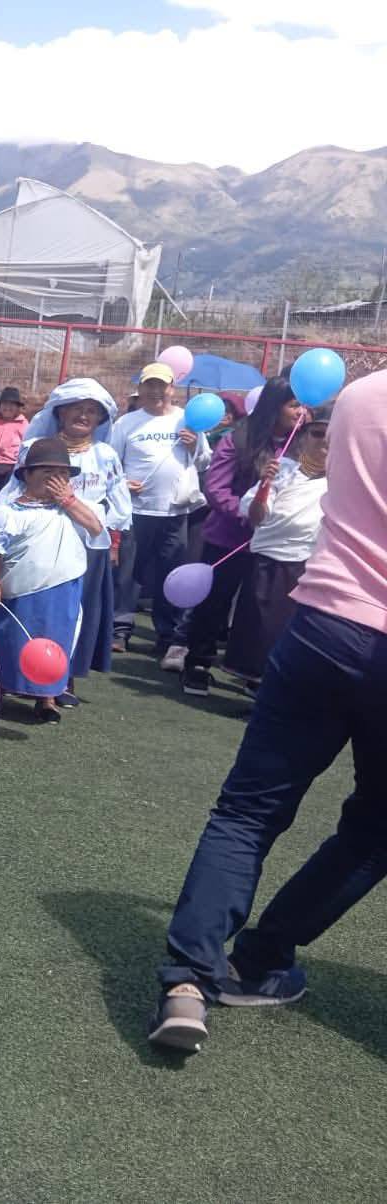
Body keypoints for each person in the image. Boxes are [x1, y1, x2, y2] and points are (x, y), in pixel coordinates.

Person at [148, 370, 386, 1054]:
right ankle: (261, 956)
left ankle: (187, 982)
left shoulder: (361, 397)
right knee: (375, 831)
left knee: (247, 812)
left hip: (323, 623)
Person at [0, 378, 130, 706]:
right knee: (26, 608)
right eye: (77, 409)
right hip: (36, 540)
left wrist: (111, 539)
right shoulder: (34, 447)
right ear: (60, 412)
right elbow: (13, 492)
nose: (83, 416)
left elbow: (119, 503)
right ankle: (11, 676)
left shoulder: (105, 455)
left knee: (71, 614)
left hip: (86, 544)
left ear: (100, 419)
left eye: (92, 411)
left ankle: (60, 681)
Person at [178, 378, 305, 696]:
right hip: (228, 540)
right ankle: (198, 662)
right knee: (215, 603)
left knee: (262, 611)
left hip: (273, 546)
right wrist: (247, 515)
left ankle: (254, 671)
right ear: (274, 406)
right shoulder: (239, 439)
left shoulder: (303, 444)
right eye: (294, 405)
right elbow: (216, 489)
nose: (300, 412)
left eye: (303, 405)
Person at [0, 438, 107, 723]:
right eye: (47, 472)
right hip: (19, 588)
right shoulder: (9, 512)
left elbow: (96, 528)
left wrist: (69, 501)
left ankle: (47, 697)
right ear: (27, 475)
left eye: (61, 474)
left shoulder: (75, 509)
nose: (55, 480)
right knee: (9, 638)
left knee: (56, 638)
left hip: (62, 588)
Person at [109, 361, 210, 669]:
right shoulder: (126, 423)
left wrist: (194, 446)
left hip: (175, 511)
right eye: (149, 385)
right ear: (140, 389)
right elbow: (111, 464)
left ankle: (167, 635)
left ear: (171, 389)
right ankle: (120, 629)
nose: (155, 391)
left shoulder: (187, 420)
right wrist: (123, 483)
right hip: (135, 510)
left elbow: (205, 462)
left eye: (161, 385)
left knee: (171, 574)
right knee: (129, 573)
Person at [223, 412, 330, 689]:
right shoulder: (282, 469)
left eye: (330, 435)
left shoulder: (342, 481)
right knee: (256, 627)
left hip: (306, 564)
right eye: (317, 434)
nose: (323, 442)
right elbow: (256, 517)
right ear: (303, 438)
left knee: (287, 633)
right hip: (266, 559)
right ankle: (255, 684)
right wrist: (264, 486)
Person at [0, 386, 27, 500]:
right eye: (5, 404)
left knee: (4, 496)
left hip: (11, 466)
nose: (8, 407)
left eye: (12, 404)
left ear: (18, 408)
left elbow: (28, 447)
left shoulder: (23, 424)